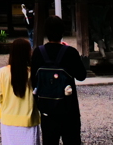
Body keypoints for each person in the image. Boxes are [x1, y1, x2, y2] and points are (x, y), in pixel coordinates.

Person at [31, 16, 87, 145]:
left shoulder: (38, 53)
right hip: (68, 106)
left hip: (47, 107)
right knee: (72, 140)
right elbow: (81, 76)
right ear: (63, 32)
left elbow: (33, 80)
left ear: (46, 32)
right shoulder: (70, 52)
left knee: (50, 141)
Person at [0, 38, 40, 145]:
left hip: (8, 120)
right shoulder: (32, 73)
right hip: (29, 120)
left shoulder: (3, 72)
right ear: (28, 53)